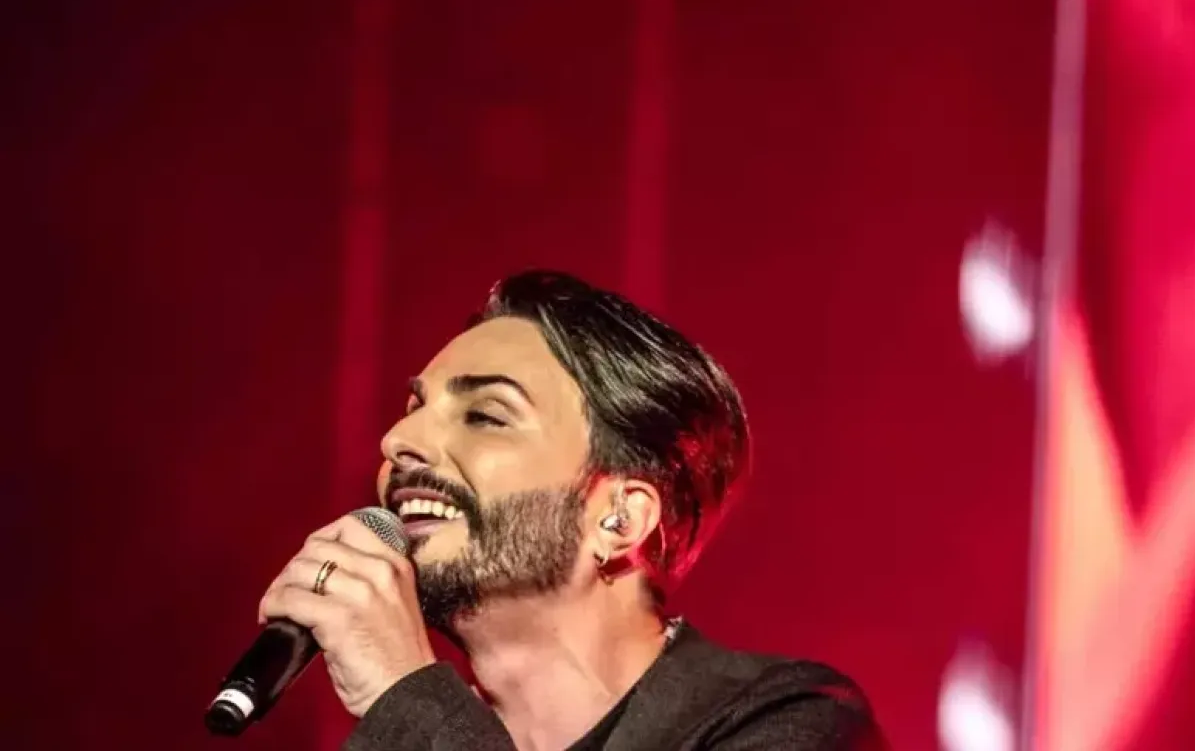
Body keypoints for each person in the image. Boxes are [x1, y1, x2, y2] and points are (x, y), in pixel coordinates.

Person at [259, 270, 884, 750]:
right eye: (413, 410)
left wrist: (402, 695)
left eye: (486, 416)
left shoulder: (788, 720)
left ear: (620, 518)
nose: (399, 441)